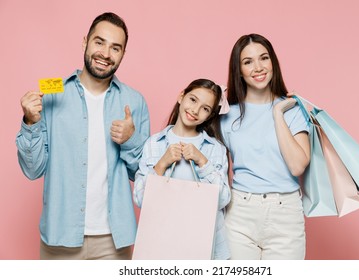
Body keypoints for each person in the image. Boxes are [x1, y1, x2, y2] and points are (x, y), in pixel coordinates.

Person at [16, 12, 150, 260]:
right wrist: (30, 123)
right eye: (99, 42)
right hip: (60, 237)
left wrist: (131, 140)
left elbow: (143, 175)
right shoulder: (52, 92)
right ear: (85, 42)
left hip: (114, 241)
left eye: (115, 48)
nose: (106, 54)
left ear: (122, 54)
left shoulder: (134, 101)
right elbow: (33, 170)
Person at [220, 34, 311, 260]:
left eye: (264, 58)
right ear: (238, 70)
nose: (258, 67)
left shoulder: (292, 109)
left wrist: (278, 113)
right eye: (248, 62)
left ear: (273, 63)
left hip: (285, 213)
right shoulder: (226, 115)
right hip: (240, 211)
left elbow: (298, 165)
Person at [134, 79, 231, 260]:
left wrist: (202, 161)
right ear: (181, 96)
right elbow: (140, 199)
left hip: (202, 245)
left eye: (205, 108)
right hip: (161, 244)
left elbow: (224, 199)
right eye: (193, 100)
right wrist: (162, 163)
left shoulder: (214, 149)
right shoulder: (154, 144)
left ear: (210, 116)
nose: (195, 110)